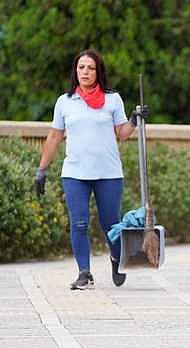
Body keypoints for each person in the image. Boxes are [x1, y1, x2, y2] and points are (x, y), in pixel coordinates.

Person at [35, 49, 148, 290]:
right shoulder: (65, 102)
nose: (85, 72)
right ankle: (84, 273)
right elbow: (54, 136)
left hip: (108, 173)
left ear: (98, 72)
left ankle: (116, 258)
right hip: (75, 173)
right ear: (75, 72)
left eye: (90, 68)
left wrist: (135, 119)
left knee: (110, 223)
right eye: (81, 68)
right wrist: (41, 169)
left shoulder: (112, 99)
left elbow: (122, 134)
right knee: (78, 223)